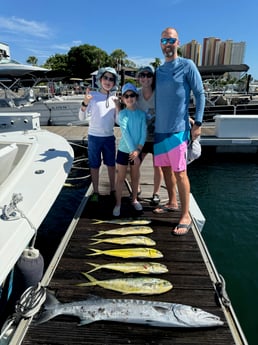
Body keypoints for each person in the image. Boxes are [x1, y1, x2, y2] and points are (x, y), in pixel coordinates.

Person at [154, 27, 205, 235]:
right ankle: (172, 202)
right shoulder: (158, 70)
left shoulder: (187, 65)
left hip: (178, 130)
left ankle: (185, 215)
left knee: (180, 172)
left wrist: (198, 123)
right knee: (166, 169)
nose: (167, 43)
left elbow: (200, 94)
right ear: (160, 44)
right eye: (164, 40)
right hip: (159, 131)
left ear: (178, 43)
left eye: (171, 40)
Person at [79, 67, 120, 202]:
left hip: (109, 137)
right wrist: (85, 103)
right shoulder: (93, 96)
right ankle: (96, 191)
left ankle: (113, 189)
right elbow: (81, 117)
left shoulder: (115, 98)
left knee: (111, 165)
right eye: (105, 78)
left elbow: (118, 121)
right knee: (94, 165)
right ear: (100, 79)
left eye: (111, 79)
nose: (108, 81)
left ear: (114, 82)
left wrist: (118, 107)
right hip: (94, 137)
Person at [113, 83, 147, 217]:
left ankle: (134, 199)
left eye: (132, 95)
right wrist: (133, 150)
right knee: (120, 178)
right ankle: (118, 204)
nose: (129, 98)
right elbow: (125, 133)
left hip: (136, 151)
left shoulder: (141, 114)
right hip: (124, 151)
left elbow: (143, 132)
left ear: (136, 97)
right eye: (126, 96)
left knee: (135, 177)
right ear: (122, 99)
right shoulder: (122, 114)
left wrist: (138, 150)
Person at [136, 66, 163, 206]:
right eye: (142, 75)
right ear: (139, 78)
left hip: (157, 137)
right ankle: (137, 187)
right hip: (141, 138)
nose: (145, 78)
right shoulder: (136, 94)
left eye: (149, 75)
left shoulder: (159, 94)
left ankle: (156, 193)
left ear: (153, 78)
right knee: (135, 163)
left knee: (157, 166)